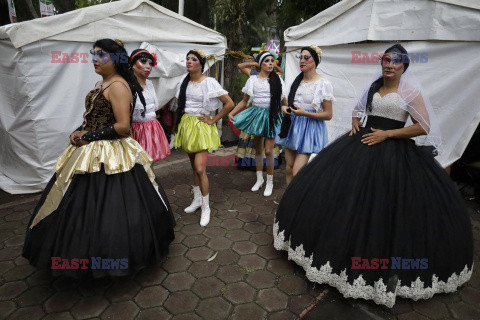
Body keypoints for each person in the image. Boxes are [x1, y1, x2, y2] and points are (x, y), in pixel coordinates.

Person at [273, 44, 473, 307]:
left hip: (393, 149)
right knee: (343, 197)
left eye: (395, 62)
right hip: (363, 143)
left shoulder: (409, 91)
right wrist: (357, 121)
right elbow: (358, 108)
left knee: (386, 205)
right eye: (386, 60)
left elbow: (422, 126)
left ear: (404, 66)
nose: (389, 65)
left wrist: (387, 134)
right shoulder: (374, 86)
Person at [22, 39, 175, 278]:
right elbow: (94, 117)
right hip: (91, 150)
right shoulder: (102, 83)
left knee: (113, 205)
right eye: (93, 55)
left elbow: (123, 127)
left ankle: (114, 256)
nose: (95, 59)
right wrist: (79, 130)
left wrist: (89, 136)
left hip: (112, 153)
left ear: (115, 59)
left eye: (101, 55)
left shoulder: (118, 86)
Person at [173, 49, 234, 226]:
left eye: (193, 59)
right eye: (187, 59)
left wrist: (214, 119)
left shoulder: (210, 82)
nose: (189, 61)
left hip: (202, 127)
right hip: (188, 126)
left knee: (200, 168)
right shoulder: (183, 82)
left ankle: (206, 207)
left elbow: (229, 103)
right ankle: (197, 200)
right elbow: (180, 104)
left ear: (201, 63)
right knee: (193, 167)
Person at [229, 50, 287, 197]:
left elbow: (284, 100)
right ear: (260, 64)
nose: (270, 64)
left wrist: (287, 110)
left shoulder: (278, 79)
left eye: (272, 61)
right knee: (258, 150)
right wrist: (231, 112)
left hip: (272, 115)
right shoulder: (252, 80)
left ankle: (270, 181)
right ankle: (259, 179)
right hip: (257, 115)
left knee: (269, 151)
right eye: (266, 61)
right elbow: (244, 101)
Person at [276, 45, 334, 184]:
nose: (302, 60)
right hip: (293, 127)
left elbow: (328, 114)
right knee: (289, 168)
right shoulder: (297, 82)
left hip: (309, 130)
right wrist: (284, 108)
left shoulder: (323, 84)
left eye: (306, 57)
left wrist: (305, 114)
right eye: (300, 57)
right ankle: (289, 202)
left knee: (297, 172)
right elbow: (289, 104)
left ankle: (300, 201)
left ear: (315, 61)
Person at [129, 49, 170, 161]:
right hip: (135, 132)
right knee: (138, 167)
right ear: (132, 65)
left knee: (150, 165)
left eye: (151, 63)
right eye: (143, 62)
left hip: (152, 129)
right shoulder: (127, 86)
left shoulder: (150, 84)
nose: (148, 66)